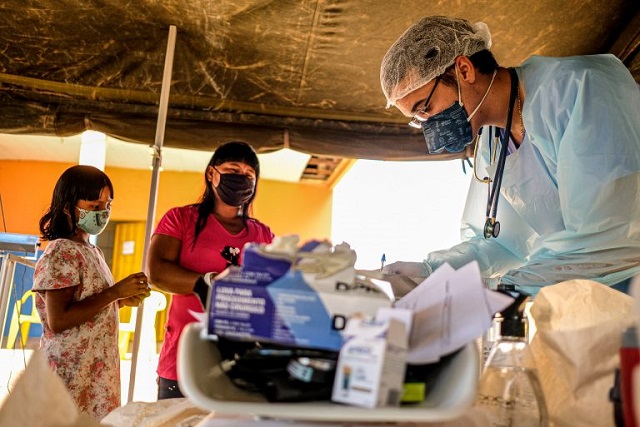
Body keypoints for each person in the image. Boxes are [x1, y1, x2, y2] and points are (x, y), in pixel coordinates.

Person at [379, 16, 640, 297]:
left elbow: (613, 231)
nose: (428, 124)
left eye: (425, 107)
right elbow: (502, 244)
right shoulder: (492, 144)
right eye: (418, 119)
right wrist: (431, 273)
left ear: (464, 70)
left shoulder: (578, 88)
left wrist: (512, 288)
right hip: (581, 301)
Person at [148, 141, 275, 399]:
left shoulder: (262, 234)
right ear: (211, 173)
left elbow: (274, 289)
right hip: (182, 363)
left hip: (241, 363)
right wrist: (207, 282)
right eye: (232, 169)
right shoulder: (180, 219)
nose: (240, 178)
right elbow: (157, 272)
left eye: (249, 175)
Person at [32, 165, 151, 420]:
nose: (103, 213)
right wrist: (114, 292)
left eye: (107, 205)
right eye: (95, 206)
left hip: (95, 372)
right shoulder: (61, 251)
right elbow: (60, 320)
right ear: (67, 206)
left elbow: (87, 305)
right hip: (70, 373)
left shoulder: (91, 250)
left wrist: (120, 300)